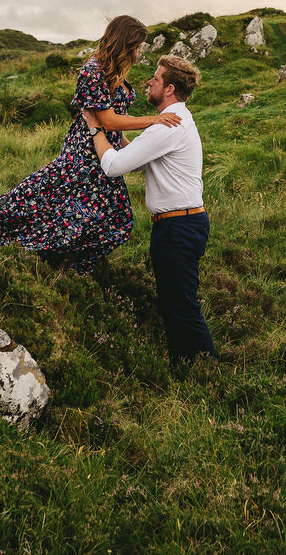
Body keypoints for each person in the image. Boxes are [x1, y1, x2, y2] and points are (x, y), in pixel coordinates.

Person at [0, 15, 180, 273]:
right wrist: (154, 120)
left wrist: (131, 148)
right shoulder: (92, 71)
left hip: (102, 153)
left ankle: (66, 260)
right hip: (83, 156)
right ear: (124, 44)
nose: (138, 53)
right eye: (137, 46)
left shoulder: (113, 73)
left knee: (114, 219)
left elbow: (116, 124)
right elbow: (107, 120)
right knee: (21, 205)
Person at [81, 54, 217, 364]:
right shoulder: (176, 120)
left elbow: (115, 167)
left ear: (168, 89)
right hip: (181, 224)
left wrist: (95, 129)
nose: (149, 83)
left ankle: (208, 371)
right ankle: (184, 366)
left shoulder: (167, 126)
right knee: (173, 302)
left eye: (155, 79)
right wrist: (116, 133)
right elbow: (139, 156)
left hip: (179, 227)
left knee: (181, 305)